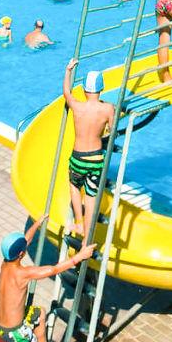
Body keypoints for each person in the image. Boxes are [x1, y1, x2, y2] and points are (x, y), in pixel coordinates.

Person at [0, 220, 95, 342]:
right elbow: (53, 269)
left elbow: (25, 241)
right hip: (14, 331)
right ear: (21, 253)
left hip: (4, 323)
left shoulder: (6, 264)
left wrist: (38, 223)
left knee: (39, 313)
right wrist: (79, 256)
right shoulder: (23, 273)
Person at [60, 59, 119, 241]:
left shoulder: (77, 106)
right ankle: (87, 238)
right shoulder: (108, 108)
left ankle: (78, 222)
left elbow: (66, 93)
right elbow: (113, 130)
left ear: (85, 90)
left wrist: (68, 71)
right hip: (95, 159)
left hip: (78, 157)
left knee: (74, 186)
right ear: (101, 89)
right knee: (92, 197)